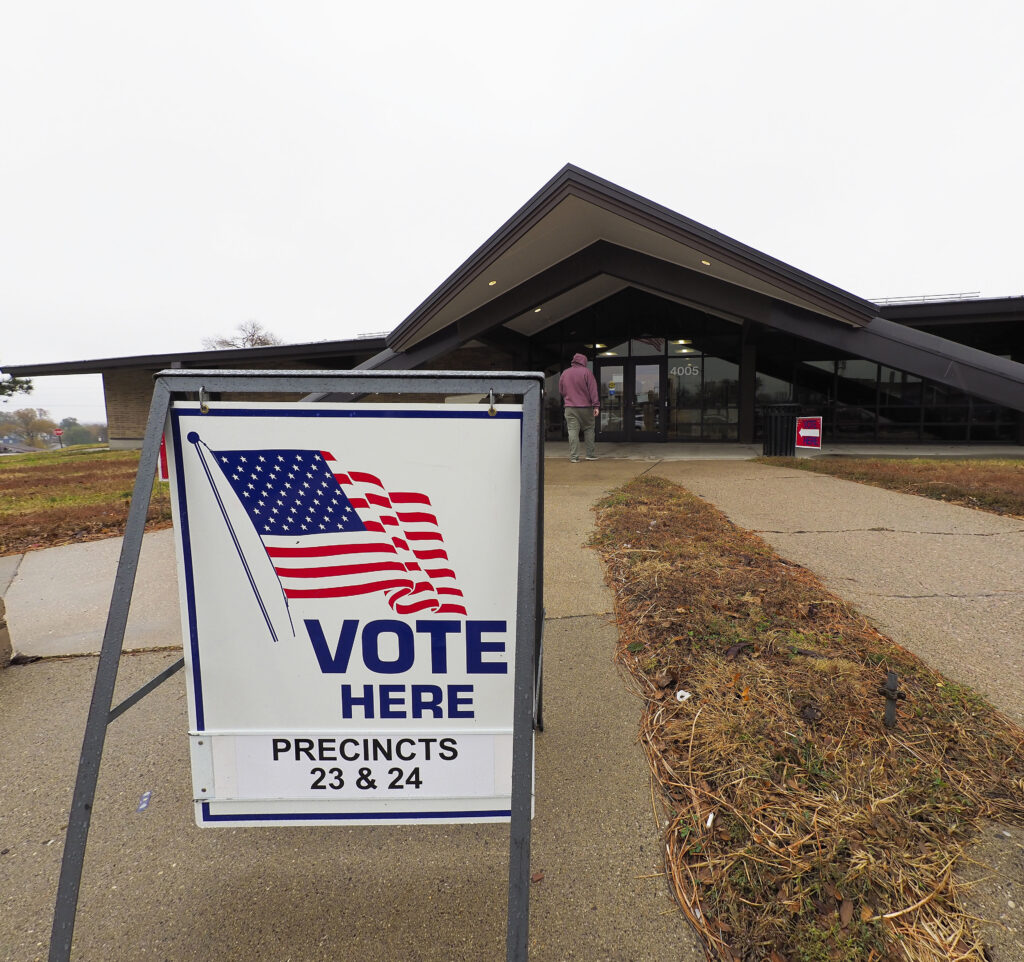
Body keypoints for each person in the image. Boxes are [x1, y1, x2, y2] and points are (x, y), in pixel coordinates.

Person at [558, 353, 600, 462]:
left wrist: (569, 397)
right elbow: (593, 390)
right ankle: (590, 454)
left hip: (570, 407)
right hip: (586, 407)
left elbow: (561, 391)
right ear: (584, 362)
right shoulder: (587, 372)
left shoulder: (565, 373)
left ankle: (574, 457)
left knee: (572, 431)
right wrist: (596, 405)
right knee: (589, 429)